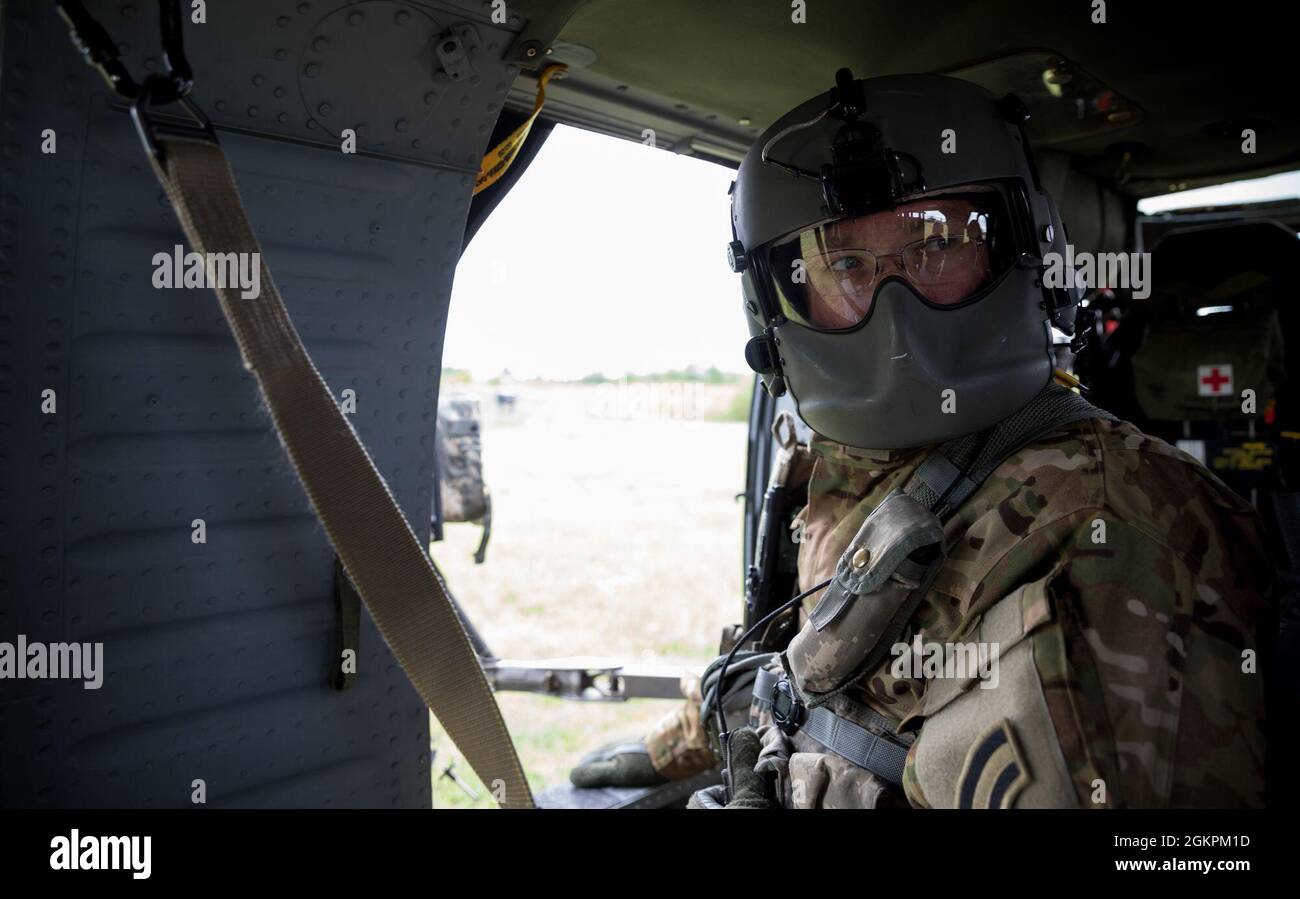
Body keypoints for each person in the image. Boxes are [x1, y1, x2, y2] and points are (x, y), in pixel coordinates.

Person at [575, 70, 1271, 808]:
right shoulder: (837, 461)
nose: (894, 309)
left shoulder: (1110, 519)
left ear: (1022, 247)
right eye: (845, 263)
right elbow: (821, 656)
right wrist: (684, 741)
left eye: (934, 243)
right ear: (779, 297)